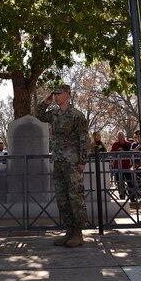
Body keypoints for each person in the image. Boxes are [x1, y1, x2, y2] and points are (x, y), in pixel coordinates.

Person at [35, 84, 91, 247]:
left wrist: (82, 161)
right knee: (62, 198)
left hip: (73, 162)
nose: (56, 96)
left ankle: (78, 233)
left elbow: (84, 139)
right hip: (59, 161)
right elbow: (38, 116)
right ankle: (69, 231)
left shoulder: (77, 115)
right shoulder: (54, 114)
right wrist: (45, 103)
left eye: (58, 93)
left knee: (75, 198)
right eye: (54, 94)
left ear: (67, 94)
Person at [109, 132, 134, 200]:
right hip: (118, 167)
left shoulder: (129, 144)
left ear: (124, 136)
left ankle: (132, 197)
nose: (121, 137)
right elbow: (111, 154)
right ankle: (122, 196)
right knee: (120, 182)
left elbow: (132, 154)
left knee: (130, 182)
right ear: (118, 137)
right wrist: (117, 151)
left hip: (127, 166)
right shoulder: (115, 145)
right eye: (119, 136)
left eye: (122, 136)